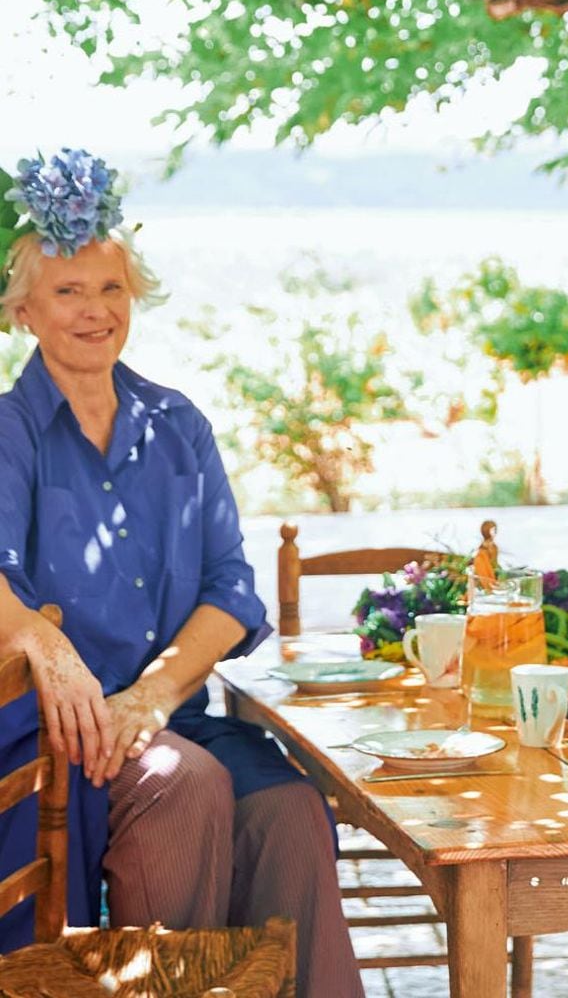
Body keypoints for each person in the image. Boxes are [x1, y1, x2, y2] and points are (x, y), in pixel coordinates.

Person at [0, 150, 361, 997]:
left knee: (290, 811)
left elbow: (232, 588)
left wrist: (152, 698)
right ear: (22, 312)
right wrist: (48, 649)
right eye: (68, 292)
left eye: (112, 289)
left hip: (168, 716)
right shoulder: (7, 431)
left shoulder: (178, 424)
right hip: (61, 739)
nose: (96, 312)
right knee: (185, 788)